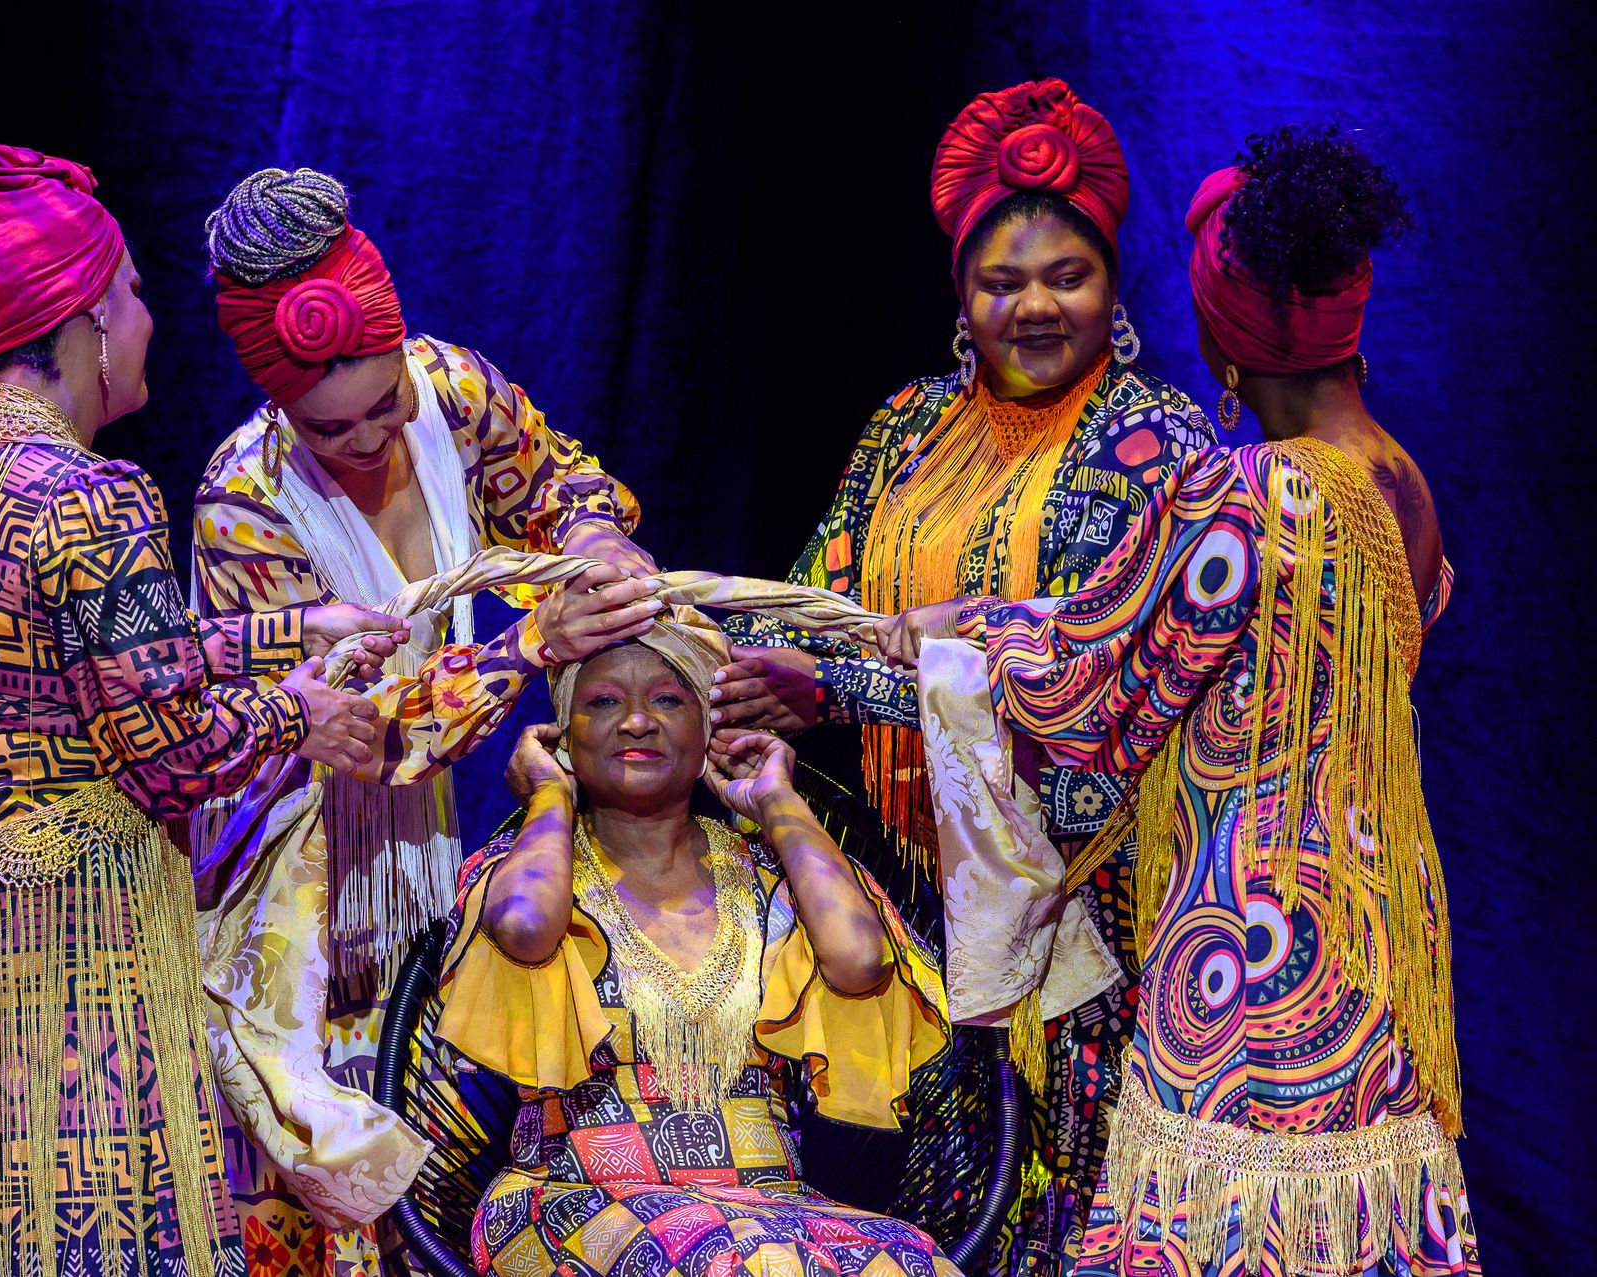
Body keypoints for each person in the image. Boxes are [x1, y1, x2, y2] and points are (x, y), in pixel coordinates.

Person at [876, 124, 1475, 1276]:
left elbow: (1095, 697)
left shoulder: (1249, 493)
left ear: (1225, 338)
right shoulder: (1403, 488)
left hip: (1248, 947)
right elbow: (1213, 638)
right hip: (1372, 924)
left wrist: (953, 634)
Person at [0, 144, 414, 1276]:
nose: (151, 324)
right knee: (87, 1226)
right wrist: (294, 714)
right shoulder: (93, 492)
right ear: (87, 321)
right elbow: (169, 754)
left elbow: (91, 661)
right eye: (139, 299)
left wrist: (286, 629)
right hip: (58, 939)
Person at [714, 78, 1214, 1268]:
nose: (1035, 306)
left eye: (1067, 276)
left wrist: (839, 688)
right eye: (1002, 281)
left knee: (1049, 1211)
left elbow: (1082, 689)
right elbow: (820, 597)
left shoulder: (1161, 446)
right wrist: (728, 656)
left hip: (1081, 918)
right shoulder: (906, 427)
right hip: (908, 889)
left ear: (1114, 286)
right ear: (960, 296)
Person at [190, 168, 659, 1274]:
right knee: (326, 1192)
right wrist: (526, 644)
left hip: (429, 862)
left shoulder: (449, 388)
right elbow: (357, 731)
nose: (362, 441)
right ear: (280, 407)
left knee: (444, 1188)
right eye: (327, 426)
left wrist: (589, 539)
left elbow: (565, 482)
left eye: (380, 406)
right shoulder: (244, 503)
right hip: (307, 877)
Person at [436, 615, 955, 1277]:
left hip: (771, 1209)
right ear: (563, 738)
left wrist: (776, 800)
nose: (636, 721)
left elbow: (861, 960)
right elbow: (526, 929)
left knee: (910, 1262)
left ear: (708, 729)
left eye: (668, 698)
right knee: (735, 1261)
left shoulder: (767, 881)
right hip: (575, 1198)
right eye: (602, 702)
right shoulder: (525, 873)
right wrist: (548, 798)